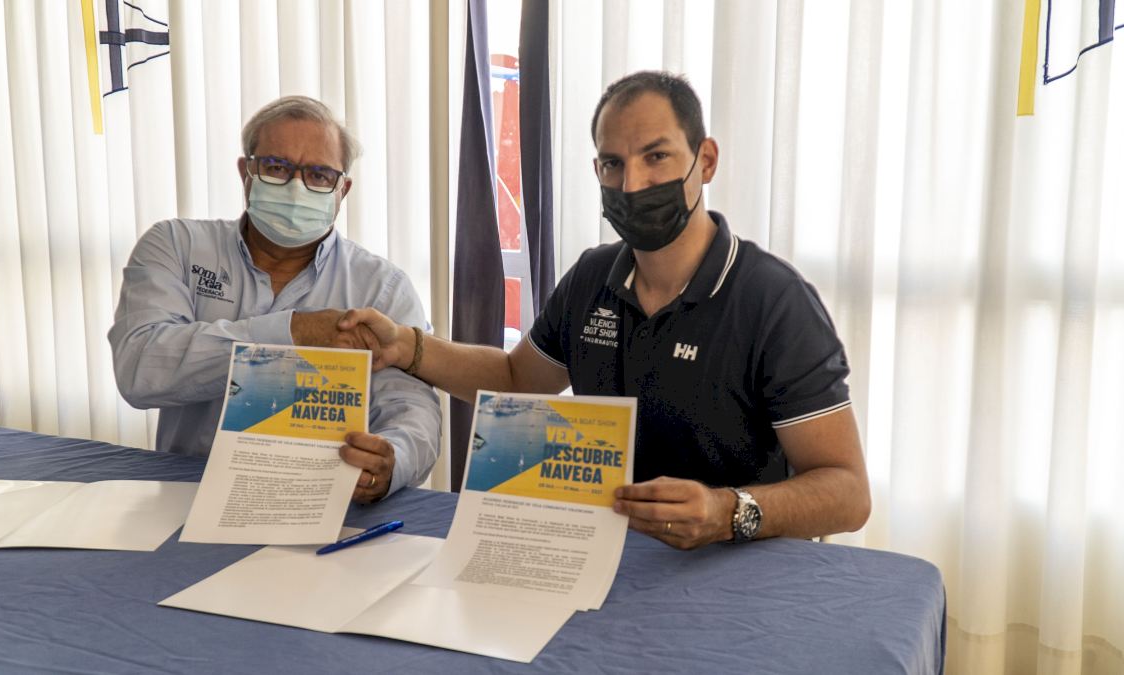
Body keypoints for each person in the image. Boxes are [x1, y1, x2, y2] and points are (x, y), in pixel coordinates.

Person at [338, 71, 870, 547]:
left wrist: (726, 512)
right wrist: (405, 347)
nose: (632, 184)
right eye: (614, 164)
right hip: (609, 557)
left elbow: (847, 493)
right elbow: (517, 380)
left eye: (656, 157)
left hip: (741, 570)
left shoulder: (774, 300)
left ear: (705, 160)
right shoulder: (593, 277)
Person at [108, 95, 440, 504]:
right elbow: (139, 369)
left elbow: (411, 410)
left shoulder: (381, 288)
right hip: (188, 496)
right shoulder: (177, 245)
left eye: (319, 175)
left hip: (328, 503)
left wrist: (391, 461)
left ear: (343, 189)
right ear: (245, 172)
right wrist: (293, 332)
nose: (297, 187)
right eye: (277, 167)